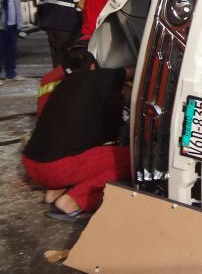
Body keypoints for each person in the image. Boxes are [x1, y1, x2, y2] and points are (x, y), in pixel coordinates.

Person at [22, 47, 134, 221]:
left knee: (81, 152)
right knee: (131, 157)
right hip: (57, 168)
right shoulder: (94, 78)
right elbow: (130, 72)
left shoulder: (61, 86)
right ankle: (74, 201)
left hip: (31, 163)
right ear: (93, 67)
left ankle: (55, 191)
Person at [1, 0, 23, 81]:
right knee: (1, 50)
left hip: (12, 25)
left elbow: (18, 7)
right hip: (1, 25)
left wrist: (19, 24)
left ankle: (11, 73)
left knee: (11, 51)